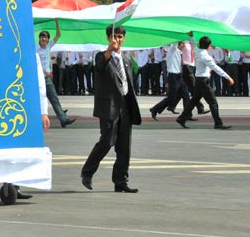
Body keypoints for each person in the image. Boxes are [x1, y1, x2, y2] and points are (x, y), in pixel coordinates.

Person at [81, 25, 141, 193]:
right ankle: (87, 172)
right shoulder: (102, 56)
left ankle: (121, 180)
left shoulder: (127, 61)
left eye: (121, 37)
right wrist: (110, 49)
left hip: (125, 106)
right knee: (106, 141)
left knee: (124, 146)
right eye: (115, 36)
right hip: (109, 106)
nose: (118, 40)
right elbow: (100, 66)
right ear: (108, 38)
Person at [176, 33, 235, 130]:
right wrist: (228, 77)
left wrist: (191, 36)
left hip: (199, 80)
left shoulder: (197, 51)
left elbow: (193, 43)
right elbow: (216, 68)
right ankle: (218, 123)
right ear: (208, 46)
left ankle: (182, 118)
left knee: (194, 101)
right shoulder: (205, 56)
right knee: (213, 102)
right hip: (203, 81)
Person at [35, 19, 76, 128]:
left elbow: (58, 35)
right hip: (38, 79)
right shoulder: (35, 49)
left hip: (47, 79)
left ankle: (63, 119)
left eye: (45, 37)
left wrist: (56, 22)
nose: (44, 39)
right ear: (39, 38)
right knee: (36, 100)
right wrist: (46, 72)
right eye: (42, 37)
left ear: (48, 39)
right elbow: (35, 65)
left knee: (54, 98)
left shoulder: (48, 46)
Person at [150, 41, 189, 119]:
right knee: (171, 97)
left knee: (186, 95)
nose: (184, 45)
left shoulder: (178, 52)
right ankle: (155, 109)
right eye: (182, 43)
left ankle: (187, 115)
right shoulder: (172, 50)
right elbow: (175, 42)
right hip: (173, 76)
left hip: (179, 76)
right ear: (178, 44)